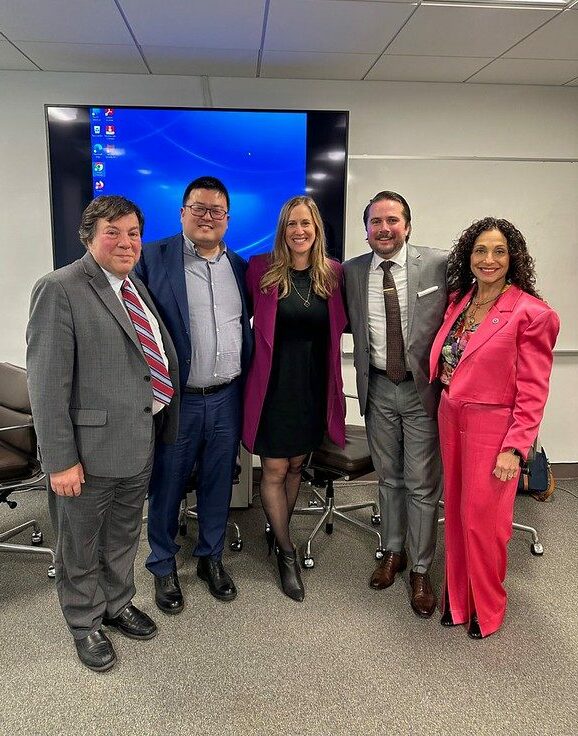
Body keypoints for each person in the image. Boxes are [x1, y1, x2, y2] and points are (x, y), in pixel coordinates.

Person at [26, 195, 179, 672]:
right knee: (80, 542)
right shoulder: (61, 288)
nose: (126, 241)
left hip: (137, 440)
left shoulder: (132, 286)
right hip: (86, 453)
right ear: (89, 237)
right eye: (113, 232)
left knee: (122, 536)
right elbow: (47, 385)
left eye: (133, 232)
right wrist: (59, 460)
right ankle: (84, 620)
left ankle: (116, 602)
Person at [429, 217, 559, 639]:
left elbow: (533, 389)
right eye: (480, 250)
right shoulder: (460, 301)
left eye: (499, 251)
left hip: (494, 426)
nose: (488, 259)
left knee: (484, 520)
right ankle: (458, 598)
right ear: (469, 256)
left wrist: (515, 448)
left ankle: (488, 606)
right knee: (457, 511)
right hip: (450, 415)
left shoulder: (531, 313)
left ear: (512, 257)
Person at [134, 176, 252, 612]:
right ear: (182, 213)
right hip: (179, 398)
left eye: (216, 211)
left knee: (219, 481)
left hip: (227, 396)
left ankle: (211, 557)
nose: (207, 217)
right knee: (167, 483)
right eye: (198, 208)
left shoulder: (240, 268)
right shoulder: (152, 258)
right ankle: (163, 565)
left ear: (227, 219)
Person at [343, 190, 447, 618]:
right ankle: (393, 551)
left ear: (407, 225)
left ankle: (421, 569)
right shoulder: (351, 272)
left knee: (422, 483)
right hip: (379, 387)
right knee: (388, 479)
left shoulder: (440, 265)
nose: (384, 229)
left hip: (422, 389)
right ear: (366, 230)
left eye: (393, 221)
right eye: (376, 222)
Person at [242, 195, 347, 601]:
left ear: (317, 229)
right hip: (271, 387)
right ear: (282, 231)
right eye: (291, 225)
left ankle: (277, 529)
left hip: (312, 388)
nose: (299, 231)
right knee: (273, 468)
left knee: (295, 469)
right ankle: (286, 552)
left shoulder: (332, 276)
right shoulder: (260, 271)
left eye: (306, 224)